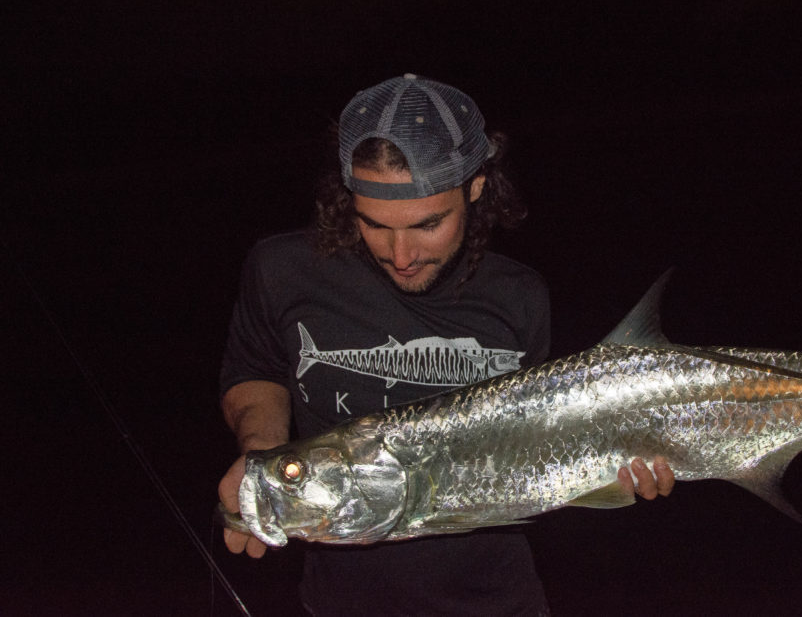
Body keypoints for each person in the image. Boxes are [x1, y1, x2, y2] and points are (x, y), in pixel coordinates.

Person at [217, 73, 674, 616]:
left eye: (428, 224)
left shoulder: (520, 296)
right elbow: (258, 368)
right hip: (342, 600)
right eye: (374, 224)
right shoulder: (283, 271)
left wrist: (616, 468)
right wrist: (263, 459)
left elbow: (535, 449)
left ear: (476, 186)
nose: (401, 253)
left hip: (498, 600)